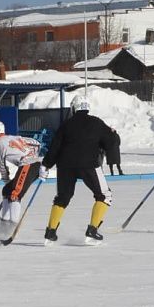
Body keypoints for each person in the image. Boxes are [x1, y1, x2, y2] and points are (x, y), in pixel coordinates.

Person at [40, 95, 114, 245]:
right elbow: (111, 142)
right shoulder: (97, 122)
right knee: (104, 195)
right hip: (89, 165)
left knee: (62, 198)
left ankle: (50, 232)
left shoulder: (66, 125)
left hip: (65, 166)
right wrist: (112, 134)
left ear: (74, 108)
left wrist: (46, 165)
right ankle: (92, 230)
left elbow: (55, 147)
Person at [0, 121, 42, 234]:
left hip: (28, 165)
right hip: (30, 165)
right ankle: (4, 223)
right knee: (7, 191)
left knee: (15, 193)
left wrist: (6, 180)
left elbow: (2, 166)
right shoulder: (12, 137)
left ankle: (12, 225)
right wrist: (33, 155)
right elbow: (36, 143)